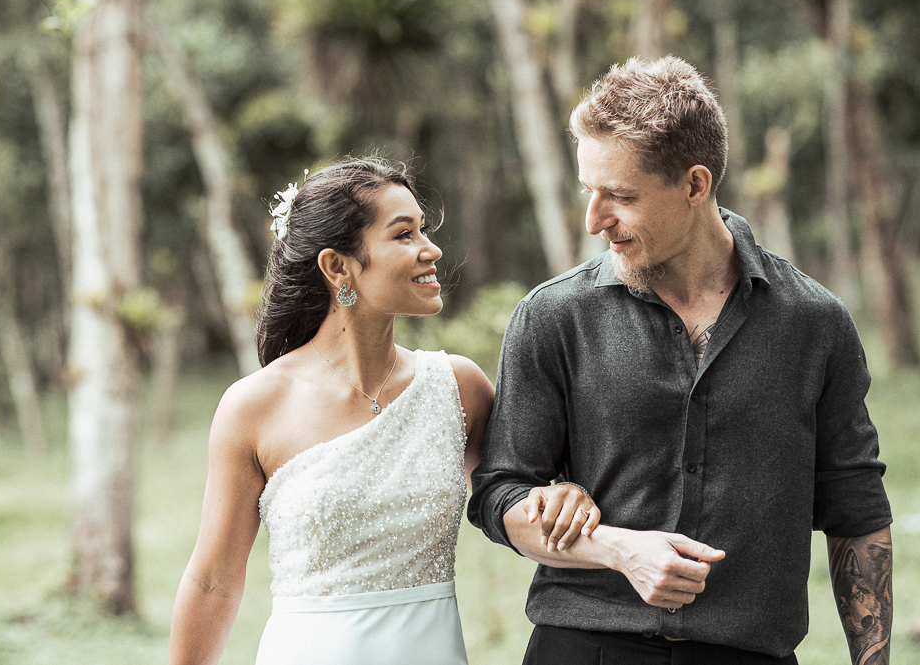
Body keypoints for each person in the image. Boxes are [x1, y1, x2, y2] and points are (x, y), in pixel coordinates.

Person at [468, 57, 894, 665]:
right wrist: (616, 548)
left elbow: (856, 508)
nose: (594, 220)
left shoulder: (814, 322)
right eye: (589, 191)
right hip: (583, 647)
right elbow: (498, 495)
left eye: (620, 196)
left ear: (696, 185)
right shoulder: (553, 316)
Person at [168, 157, 599, 665]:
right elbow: (213, 582)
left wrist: (567, 493)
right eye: (403, 234)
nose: (431, 249)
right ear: (338, 267)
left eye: (424, 229)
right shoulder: (254, 406)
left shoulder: (457, 387)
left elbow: (518, 499)